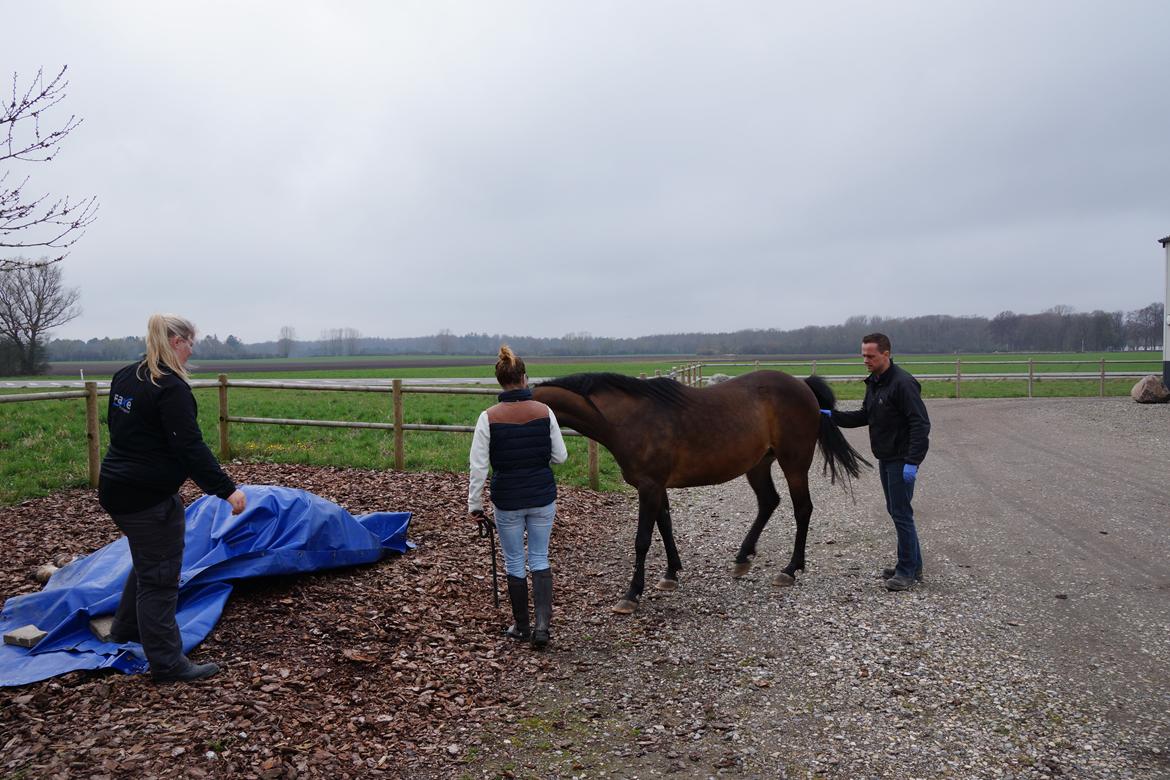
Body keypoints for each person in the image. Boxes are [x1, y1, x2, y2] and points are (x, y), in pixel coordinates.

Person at [98, 314, 247, 682]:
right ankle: (167, 663)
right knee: (160, 578)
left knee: (148, 559)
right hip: (146, 497)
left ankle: (125, 628)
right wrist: (227, 490)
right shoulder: (170, 387)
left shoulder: (125, 376)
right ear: (176, 341)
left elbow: (118, 429)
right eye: (191, 343)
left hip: (115, 487)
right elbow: (190, 447)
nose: (192, 350)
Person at [468, 345, 568, 648]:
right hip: (542, 496)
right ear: (524, 378)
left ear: (501, 381)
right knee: (539, 557)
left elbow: (479, 467)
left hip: (507, 499)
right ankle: (542, 628)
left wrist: (475, 504)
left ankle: (522, 627)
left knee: (514, 561)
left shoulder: (488, 417)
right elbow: (560, 457)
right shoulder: (544, 412)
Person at [827, 333, 931, 592]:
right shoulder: (875, 382)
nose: (866, 360)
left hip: (901, 459)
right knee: (897, 511)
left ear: (886, 354)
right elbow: (866, 415)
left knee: (901, 513)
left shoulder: (903, 384)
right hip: (885, 457)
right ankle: (912, 564)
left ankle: (906, 572)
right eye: (863, 355)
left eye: (871, 356)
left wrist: (913, 461)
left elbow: (920, 423)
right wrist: (833, 417)